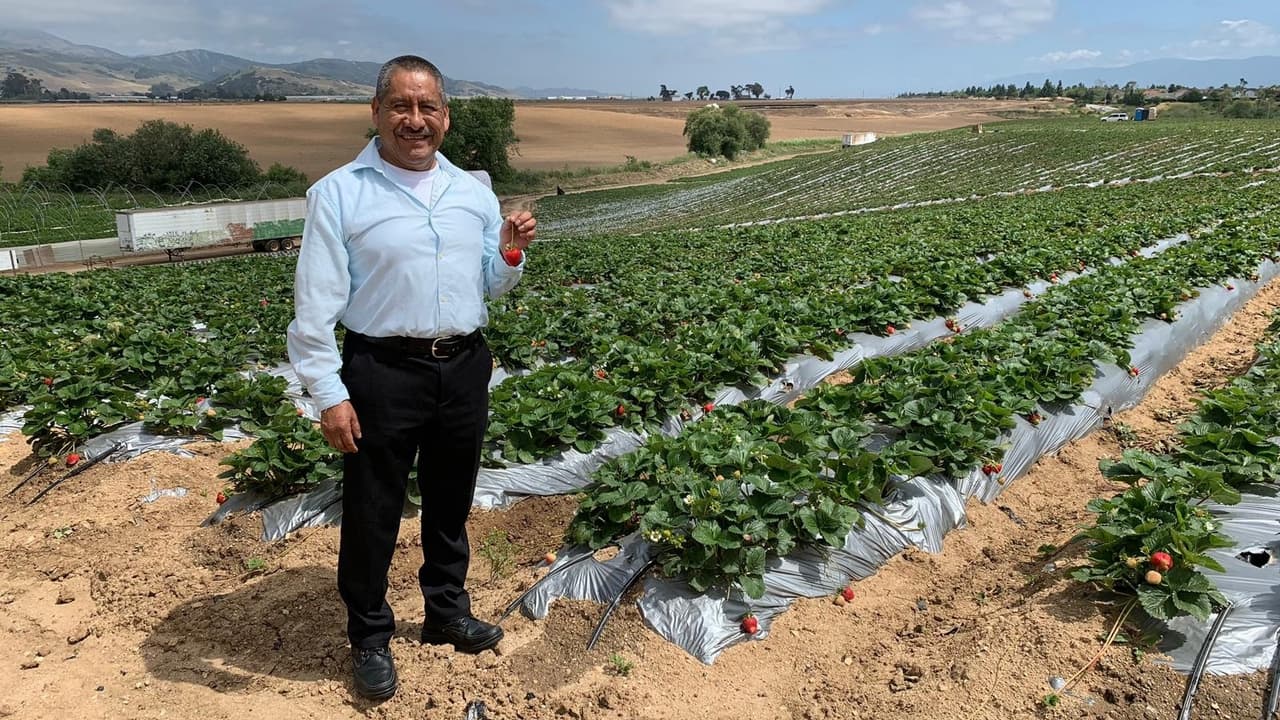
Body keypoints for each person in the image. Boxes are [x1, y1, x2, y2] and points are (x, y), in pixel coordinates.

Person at [287, 54, 536, 701]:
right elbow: (312, 310)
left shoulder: (472, 192)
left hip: (462, 364)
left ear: (446, 118)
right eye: (402, 105)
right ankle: (370, 634)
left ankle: (445, 612)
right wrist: (329, 394)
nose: (415, 120)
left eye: (428, 108)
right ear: (376, 112)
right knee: (373, 510)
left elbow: (489, 282)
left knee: (451, 500)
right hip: (381, 371)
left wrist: (509, 251)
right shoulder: (339, 194)